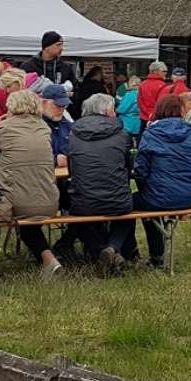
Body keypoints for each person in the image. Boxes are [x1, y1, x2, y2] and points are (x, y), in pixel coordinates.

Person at [0, 90, 63, 278]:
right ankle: (50, 260)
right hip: (49, 201)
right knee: (27, 220)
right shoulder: (44, 128)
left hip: (16, 202)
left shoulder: (3, 129)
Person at [126, 92, 191, 268]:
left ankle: (131, 252)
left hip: (158, 196)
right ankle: (155, 256)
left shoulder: (151, 133)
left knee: (124, 203)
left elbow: (141, 170)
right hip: (188, 196)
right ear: (181, 111)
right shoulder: (190, 133)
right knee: (151, 202)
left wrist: (144, 186)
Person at [62, 92, 133, 269]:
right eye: (114, 110)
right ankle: (112, 249)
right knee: (126, 212)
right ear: (108, 112)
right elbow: (127, 167)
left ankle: (100, 250)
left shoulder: (74, 134)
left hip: (84, 201)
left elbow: (72, 170)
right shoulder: (122, 134)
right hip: (118, 200)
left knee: (78, 217)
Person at [136, 62, 171, 128]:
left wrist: (148, 113)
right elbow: (162, 104)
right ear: (156, 71)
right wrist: (153, 114)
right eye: (164, 71)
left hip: (144, 117)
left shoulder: (143, 84)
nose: (166, 73)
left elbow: (140, 102)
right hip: (157, 118)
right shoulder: (163, 85)